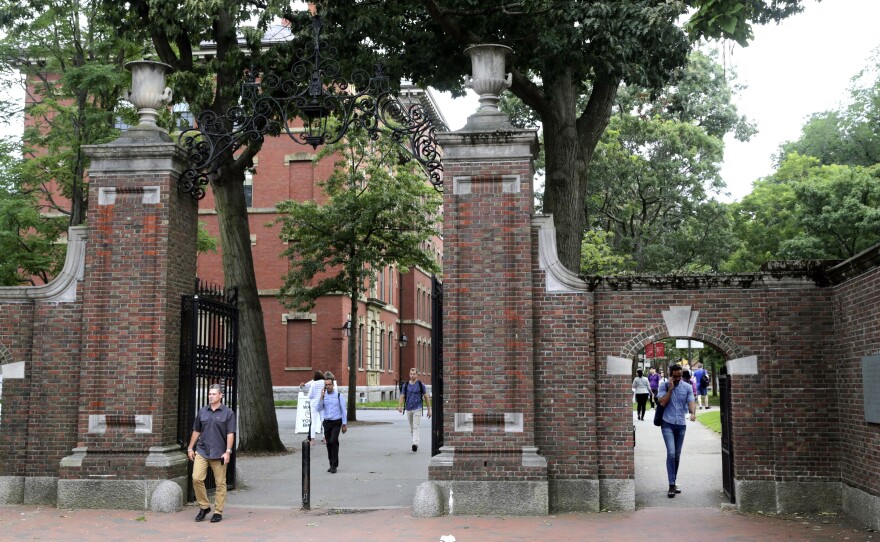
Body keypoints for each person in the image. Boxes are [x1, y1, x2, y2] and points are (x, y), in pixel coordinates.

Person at [187, 383, 236, 523]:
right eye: (209, 394)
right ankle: (204, 506)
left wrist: (228, 451)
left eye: (214, 394)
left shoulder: (228, 413)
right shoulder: (202, 412)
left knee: (220, 483)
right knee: (196, 478)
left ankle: (218, 511)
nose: (211, 396)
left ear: (220, 395)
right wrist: (190, 448)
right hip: (202, 450)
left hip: (219, 453)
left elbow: (230, 434)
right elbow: (196, 431)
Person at [657, 364, 696, 499]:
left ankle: (673, 481)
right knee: (671, 453)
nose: (678, 378)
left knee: (677, 455)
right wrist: (670, 389)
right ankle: (671, 484)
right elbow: (662, 403)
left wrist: (692, 413)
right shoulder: (664, 385)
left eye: (680, 376)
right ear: (670, 375)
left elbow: (691, 401)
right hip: (667, 423)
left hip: (681, 425)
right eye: (675, 376)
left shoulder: (687, 387)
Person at [316, 377, 347, 473]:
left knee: (333, 441)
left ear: (333, 385)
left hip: (336, 422)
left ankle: (334, 465)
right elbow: (318, 408)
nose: (328, 386)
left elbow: (343, 410)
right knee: (329, 443)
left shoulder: (338, 396)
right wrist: (321, 397)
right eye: (326, 385)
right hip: (327, 422)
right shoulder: (324, 396)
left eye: (329, 384)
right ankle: (331, 464)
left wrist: (344, 424)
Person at [397, 367, 432, 451]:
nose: (412, 376)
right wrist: (400, 406)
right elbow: (402, 396)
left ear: (417, 375)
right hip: (409, 409)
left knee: (416, 426)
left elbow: (426, 397)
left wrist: (429, 410)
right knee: (412, 427)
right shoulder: (406, 385)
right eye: (411, 374)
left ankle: (415, 444)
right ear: (409, 374)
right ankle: (414, 441)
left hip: (417, 408)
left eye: (414, 374)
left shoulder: (420, 385)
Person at [300, 370, 325, 443]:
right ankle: (325, 439)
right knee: (323, 421)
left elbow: (310, 395)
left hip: (314, 404)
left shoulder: (313, 383)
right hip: (322, 403)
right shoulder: (325, 382)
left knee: (314, 422)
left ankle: (312, 440)